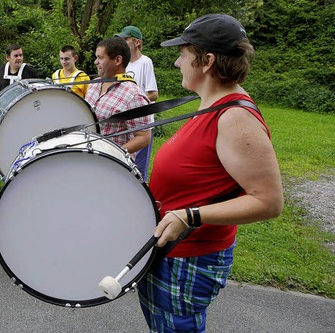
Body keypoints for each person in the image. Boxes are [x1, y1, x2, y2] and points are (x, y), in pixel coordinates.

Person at [137, 14, 283, 332]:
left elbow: (269, 201)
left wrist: (189, 216)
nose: (177, 63)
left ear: (207, 61)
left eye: (183, 55)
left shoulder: (235, 117)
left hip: (189, 260)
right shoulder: (212, 105)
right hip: (172, 252)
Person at [83, 37, 151, 157]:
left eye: (100, 57)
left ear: (117, 60)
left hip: (112, 167)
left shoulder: (134, 95)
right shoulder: (94, 84)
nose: (95, 62)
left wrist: (111, 153)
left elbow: (144, 137)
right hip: (88, 157)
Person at [0, 44, 38, 185]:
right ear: (8, 57)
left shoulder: (29, 71)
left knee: (20, 140)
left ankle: (20, 168)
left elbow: (38, 88)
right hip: (3, 113)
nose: (19, 58)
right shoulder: (2, 70)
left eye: (20, 55)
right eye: (16, 55)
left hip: (23, 114)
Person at [115, 26, 158, 181]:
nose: (122, 42)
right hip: (125, 124)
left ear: (137, 42)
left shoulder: (145, 62)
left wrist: (131, 102)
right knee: (124, 164)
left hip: (142, 125)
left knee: (139, 169)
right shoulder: (122, 64)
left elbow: (154, 94)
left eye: (126, 39)